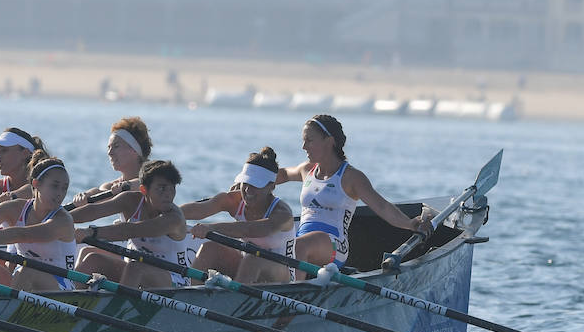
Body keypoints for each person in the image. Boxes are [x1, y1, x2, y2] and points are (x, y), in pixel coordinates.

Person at [278, 114, 433, 272]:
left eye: (309, 140)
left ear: (329, 141)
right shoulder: (306, 170)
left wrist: (409, 224)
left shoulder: (351, 177)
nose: (304, 146)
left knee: (297, 247)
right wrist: (255, 173)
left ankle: (293, 290)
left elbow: (382, 206)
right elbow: (281, 174)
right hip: (302, 240)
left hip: (334, 246)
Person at [0, 152, 78, 291]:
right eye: (54, 186)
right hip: (22, 278)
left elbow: (23, 235)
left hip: (61, 286)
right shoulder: (15, 208)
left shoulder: (63, 220)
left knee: (27, 271)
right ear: (36, 184)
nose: (60, 193)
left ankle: (7, 310)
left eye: (64, 188)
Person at [182, 147, 295, 284]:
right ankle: (193, 295)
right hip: (246, 267)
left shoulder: (282, 214)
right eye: (245, 182)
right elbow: (199, 209)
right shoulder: (235, 200)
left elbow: (250, 229)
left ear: (271, 186)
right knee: (208, 248)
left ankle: (234, 300)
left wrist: (211, 228)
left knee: (254, 259)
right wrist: (164, 214)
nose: (247, 190)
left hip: (281, 274)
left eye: (255, 185)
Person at [73, 160, 191, 288]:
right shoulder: (130, 201)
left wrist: (92, 232)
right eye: (161, 188)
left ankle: (120, 306)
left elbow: (132, 230)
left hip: (174, 280)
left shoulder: (174, 218)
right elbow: (94, 210)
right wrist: (62, 218)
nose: (168, 194)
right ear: (144, 189)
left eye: (172, 188)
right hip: (134, 273)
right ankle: (70, 299)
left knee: (135, 268)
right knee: (93, 259)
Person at [73, 116, 153, 204]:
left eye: (116, 146)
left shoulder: (154, 178)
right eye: (109, 147)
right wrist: (86, 195)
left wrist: (127, 186)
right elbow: (100, 192)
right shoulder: (112, 186)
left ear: (134, 150)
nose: (109, 153)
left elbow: (144, 183)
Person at [0, 127, 44, 212]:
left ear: (25, 153)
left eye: (4, 151)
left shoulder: (42, 185)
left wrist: (13, 196)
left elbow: (33, 189)